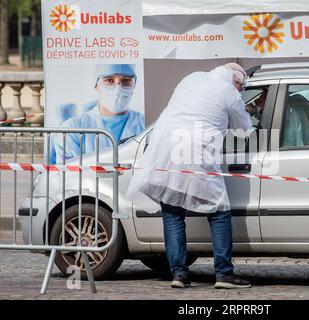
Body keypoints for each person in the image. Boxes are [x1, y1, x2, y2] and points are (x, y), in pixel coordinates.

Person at [126, 63, 253, 289]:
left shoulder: (192, 77)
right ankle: (224, 274)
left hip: (164, 148)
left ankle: (179, 275)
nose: (240, 92)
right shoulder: (229, 92)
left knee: (172, 211)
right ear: (237, 82)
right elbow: (245, 129)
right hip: (196, 152)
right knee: (219, 211)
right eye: (242, 88)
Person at [53, 64, 145, 163]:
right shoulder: (71, 129)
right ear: (96, 85)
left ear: (134, 84)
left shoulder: (147, 124)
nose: (118, 90)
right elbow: (71, 175)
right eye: (109, 80)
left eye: (126, 80)